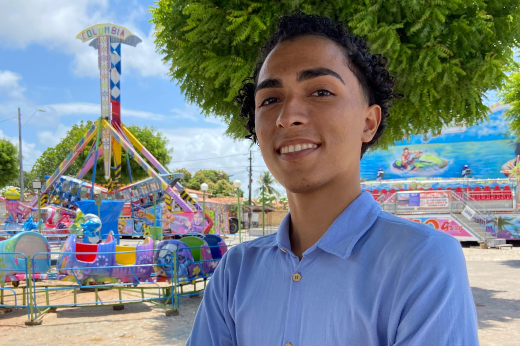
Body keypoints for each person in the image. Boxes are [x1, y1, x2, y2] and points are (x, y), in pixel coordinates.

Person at [187, 12, 478, 345]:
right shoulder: (235, 271)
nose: (287, 117)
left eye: (321, 92)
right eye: (270, 99)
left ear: (368, 122)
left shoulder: (423, 260)